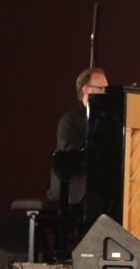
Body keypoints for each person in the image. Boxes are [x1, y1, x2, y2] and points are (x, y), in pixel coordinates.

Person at [46, 67, 108, 207]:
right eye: (100, 88)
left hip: (97, 184)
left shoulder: (108, 119)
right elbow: (70, 158)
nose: (105, 93)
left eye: (105, 89)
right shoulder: (69, 121)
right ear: (85, 90)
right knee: (99, 200)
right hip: (74, 185)